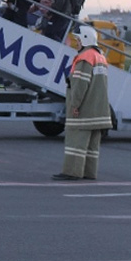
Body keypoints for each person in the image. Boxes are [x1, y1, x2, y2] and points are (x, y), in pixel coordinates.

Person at [52, 25, 112, 181]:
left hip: (85, 110)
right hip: (99, 110)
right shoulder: (100, 57)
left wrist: (75, 105)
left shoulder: (84, 58)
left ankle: (72, 171)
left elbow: (79, 85)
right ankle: (88, 172)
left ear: (85, 39)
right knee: (92, 146)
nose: (75, 42)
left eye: (77, 39)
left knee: (75, 141)